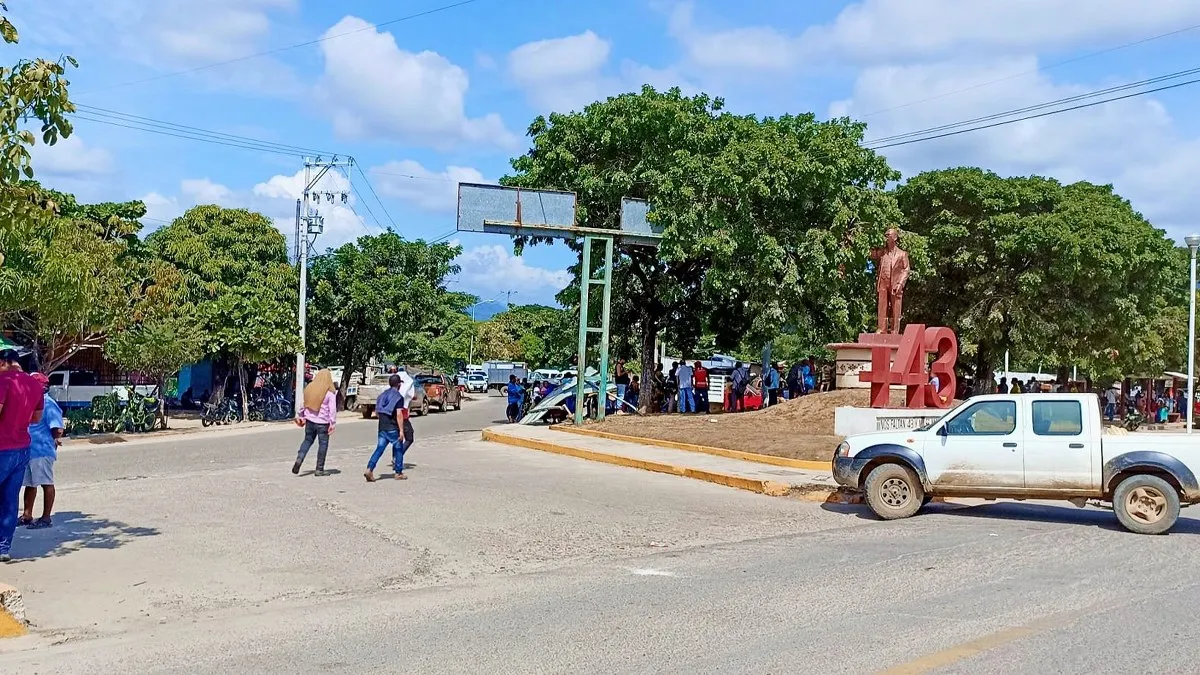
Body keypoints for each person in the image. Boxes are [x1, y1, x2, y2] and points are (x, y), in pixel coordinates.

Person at [0, 350, 44, 563]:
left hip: (2, 446)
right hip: (22, 447)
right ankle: (3, 548)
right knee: (9, 499)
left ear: (4, 362)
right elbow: (36, 418)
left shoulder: (3, 381)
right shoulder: (35, 385)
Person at [20, 372, 61, 529]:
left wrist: (53, 440)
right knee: (30, 484)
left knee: (46, 483)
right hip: (29, 450)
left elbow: (57, 427)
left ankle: (46, 518)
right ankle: (27, 515)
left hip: (42, 451)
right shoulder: (31, 402)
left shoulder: (48, 403)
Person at [292, 368, 337, 477]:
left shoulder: (310, 388)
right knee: (323, 445)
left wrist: (301, 415)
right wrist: (332, 423)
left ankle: (299, 459)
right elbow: (332, 409)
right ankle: (319, 469)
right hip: (323, 423)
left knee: (307, 441)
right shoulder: (330, 392)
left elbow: (303, 404)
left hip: (310, 421)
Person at [364, 375, 403, 482]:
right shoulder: (399, 397)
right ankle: (398, 472)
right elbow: (399, 414)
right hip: (393, 427)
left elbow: (377, 412)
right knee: (399, 448)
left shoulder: (381, 395)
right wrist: (401, 430)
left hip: (382, 426)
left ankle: (370, 468)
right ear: (399, 384)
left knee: (379, 449)